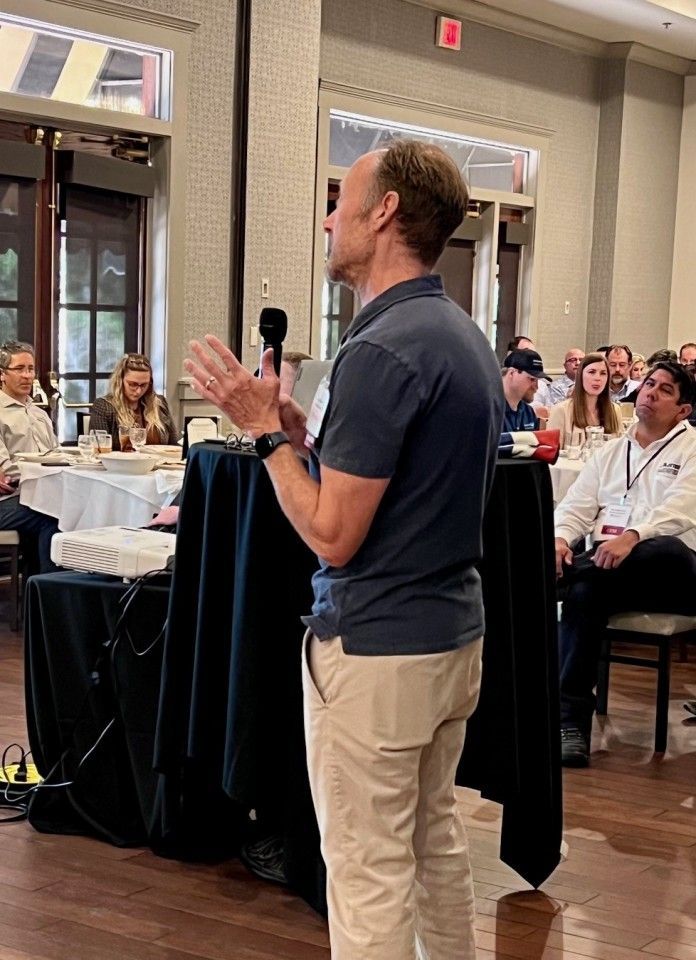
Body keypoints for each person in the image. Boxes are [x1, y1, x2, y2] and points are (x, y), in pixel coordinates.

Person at [185, 140, 503, 959]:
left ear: (386, 210)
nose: (329, 219)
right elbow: (397, 486)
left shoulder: (379, 348)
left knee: (365, 874)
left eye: (341, 201)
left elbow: (332, 531)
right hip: (450, 636)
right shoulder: (460, 335)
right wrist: (300, 439)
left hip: (378, 648)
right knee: (433, 847)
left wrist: (262, 435)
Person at [554, 361, 696, 767]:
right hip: (610, 572)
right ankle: (570, 723)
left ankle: (564, 577)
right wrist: (560, 539)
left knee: (660, 547)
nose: (650, 392)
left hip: (674, 572)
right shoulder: (612, 451)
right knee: (585, 594)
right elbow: (575, 507)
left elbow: (681, 511)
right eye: (649, 383)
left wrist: (633, 536)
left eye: (665, 390)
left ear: (683, 409)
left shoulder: (693, 449)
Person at [0, 340, 59, 573]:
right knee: (53, 516)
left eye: (31, 369)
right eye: (20, 369)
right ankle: (48, 597)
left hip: (38, 494)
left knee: (78, 508)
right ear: (2, 374)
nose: (27, 376)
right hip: (8, 500)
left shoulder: (39, 414)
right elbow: (6, 471)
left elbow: (56, 455)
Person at [90, 353, 178, 450]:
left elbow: (173, 445)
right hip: (120, 464)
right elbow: (99, 450)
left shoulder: (159, 403)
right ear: (120, 381)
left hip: (158, 463)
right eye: (132, 384)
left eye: (144, 385)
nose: (138, 391)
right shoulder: (104, 406)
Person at [547, 353, 621, 449]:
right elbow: (552, 455)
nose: (597, 378)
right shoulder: (560, 410)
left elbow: (620, 451)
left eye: (603, 373)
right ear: (580, 376)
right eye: (591, 372)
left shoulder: (615, 410)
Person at [501, 348, 550, 431]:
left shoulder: (528, 412)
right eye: (532, 379)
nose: (536, 387)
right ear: (512, 373)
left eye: (537, 380)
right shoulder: (490, 411)